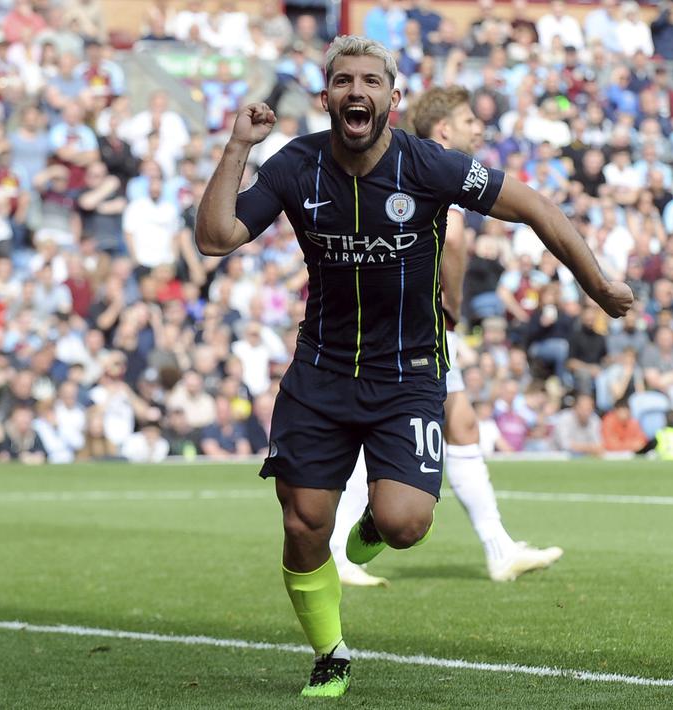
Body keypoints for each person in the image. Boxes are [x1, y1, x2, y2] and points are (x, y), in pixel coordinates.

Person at [194, 36, 632, 698]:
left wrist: (596, 285)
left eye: (371, 81)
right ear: (327, 98)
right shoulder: (294, 165)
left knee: (404, 525)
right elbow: (214, 237)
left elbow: (537, 206)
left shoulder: (431, 165)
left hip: (407, 376)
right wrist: (237, 148)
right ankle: (330, 653)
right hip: (319, 373)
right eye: (343, 81)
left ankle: (374, 523)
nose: (356, 92)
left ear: (392, 100)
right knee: (303, 522)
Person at [327, 85, 565, 589]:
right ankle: (339, 551)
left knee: (461, 425)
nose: (479, 129)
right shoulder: (436, 171)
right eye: (468, 121)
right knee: (390, 431)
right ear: (443, 131)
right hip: (416, 329)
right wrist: (451, 308)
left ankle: (498, 548)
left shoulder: (414, 168)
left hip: (404, 326)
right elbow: (453, 237)